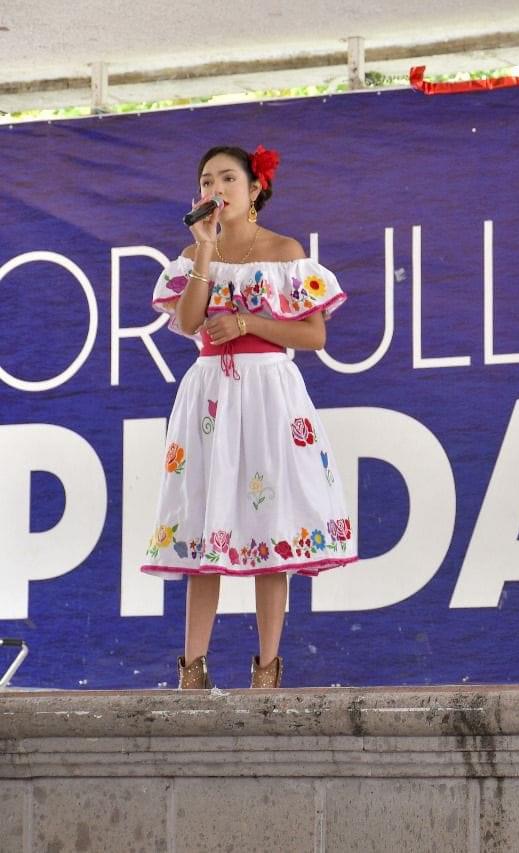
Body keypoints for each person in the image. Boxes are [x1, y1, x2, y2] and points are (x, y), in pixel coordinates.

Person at [143, 145, 356, 689]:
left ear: (254, 188)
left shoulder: (285, 251)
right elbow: (190, 322)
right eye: (207, 180)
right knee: (205, 524)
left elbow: (314, 334)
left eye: (228, 178)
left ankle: (267, 669)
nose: (217, 188)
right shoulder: (195, 254)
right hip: (210, 393)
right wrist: (206, 254)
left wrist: (245, 323)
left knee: (271, 526)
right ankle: (192, 670)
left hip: (267, 392)